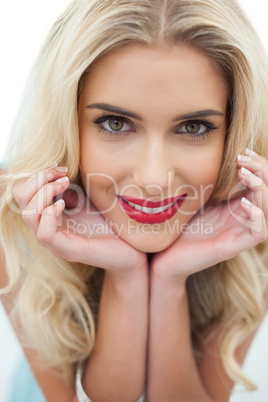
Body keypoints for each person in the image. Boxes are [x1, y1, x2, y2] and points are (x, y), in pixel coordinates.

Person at [1, 0, 268, 401]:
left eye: (194, 127)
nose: (153, 180)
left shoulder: (252, 217)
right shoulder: (15, 210)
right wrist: (126, 275)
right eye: (115, 123)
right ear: (66, 121)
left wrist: (168, 281)